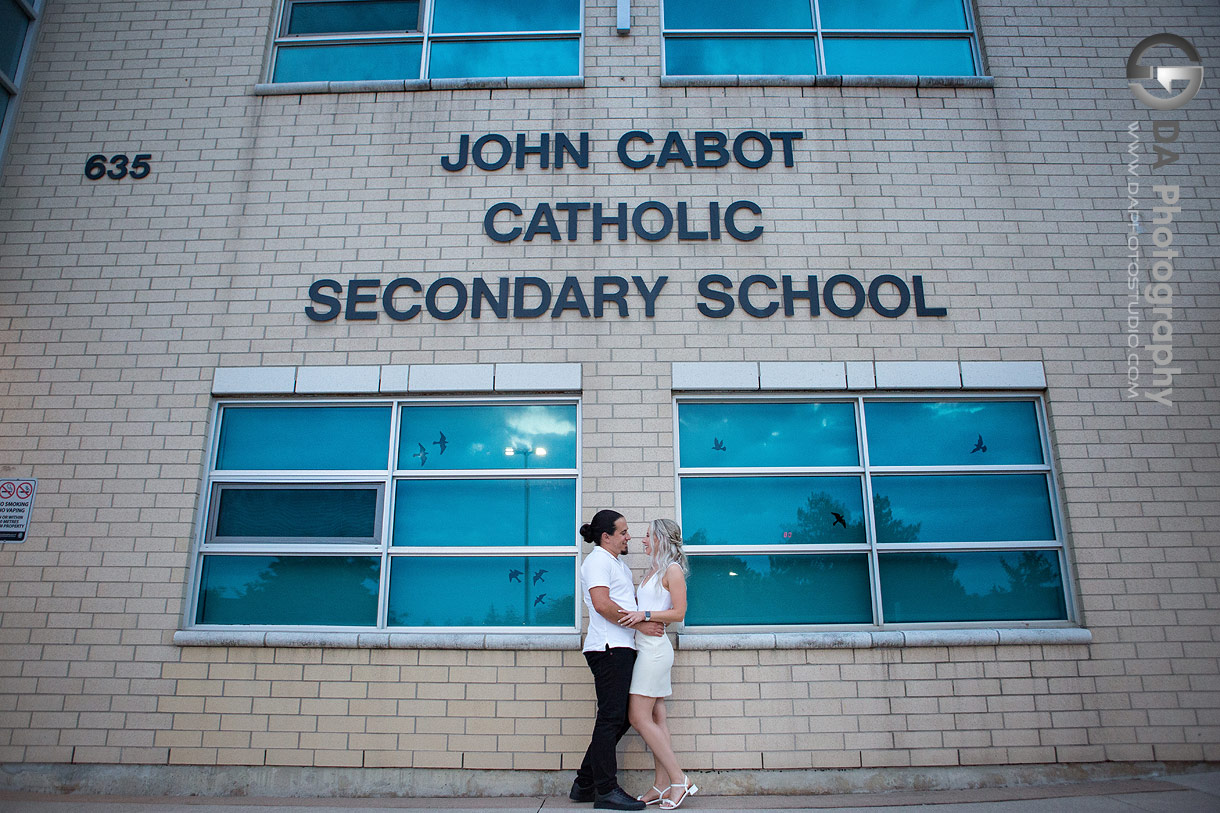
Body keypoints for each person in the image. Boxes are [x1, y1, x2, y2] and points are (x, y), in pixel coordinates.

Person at [570, 510, 667, 811]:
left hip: (621, 648)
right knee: (611, 717)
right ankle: (605, 790)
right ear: (606, 537)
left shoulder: (616, 564)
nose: (628, 537)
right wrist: (641, 624)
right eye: (623, 532)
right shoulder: (598, 561)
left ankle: (585, 783)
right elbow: (601, 604)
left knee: (621, 716)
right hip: (608, 648)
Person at [617, 519, 699, 810]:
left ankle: (679, 780)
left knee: (638, 717)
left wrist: (646, 615)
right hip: (645, 648)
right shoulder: (652, 570)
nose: (643, 540)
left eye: (648, 535)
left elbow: (679, 612)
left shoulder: (672, 570)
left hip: (655, 652)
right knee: (657, 716)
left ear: (661, 539)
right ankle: (661, 784)